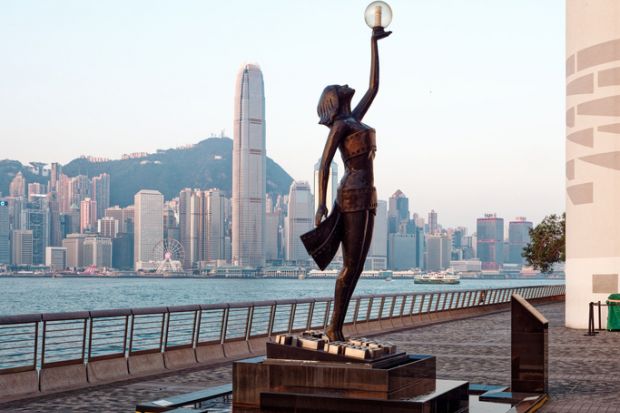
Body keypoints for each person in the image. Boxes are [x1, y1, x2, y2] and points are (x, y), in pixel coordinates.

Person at [308, 27, 390, 342]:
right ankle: (334, 327)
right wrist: (321, 203)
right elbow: (324, 163)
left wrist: (373, 43)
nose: (346, 84)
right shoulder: (341, 126)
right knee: (349, 265)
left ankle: (337, 325)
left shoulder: (355, 118)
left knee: (357, 266)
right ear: (334, 98)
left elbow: (374, 86)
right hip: (352, 194)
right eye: (339, 86)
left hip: (368, 194)